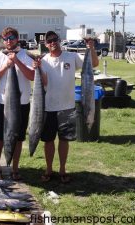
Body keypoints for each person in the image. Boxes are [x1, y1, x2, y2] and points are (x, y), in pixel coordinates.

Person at [37, 31, 99, 183]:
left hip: (67, 107)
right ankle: (49, 168)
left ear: (59, 40)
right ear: (45, 44)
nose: (52, 42)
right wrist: (37, 68)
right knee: (48, 141)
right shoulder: (43, 61)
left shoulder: (71, 56)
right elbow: (44, 82)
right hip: (48, 107)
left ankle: (63, 169)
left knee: (64, 140)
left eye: (55, 39)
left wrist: (90, 47)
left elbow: (94, 63)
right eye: (49, 41)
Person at [0, 27, 34, 180]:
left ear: (17, 38)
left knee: (18, 136)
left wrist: (17, 62)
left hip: (22, 104)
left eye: (12, 38)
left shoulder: (26, 55)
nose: (9, 41)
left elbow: (32, 76)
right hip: (3, 103)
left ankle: (15, 168)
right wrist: (6, 66)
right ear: (3, 40)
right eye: (6, 39)